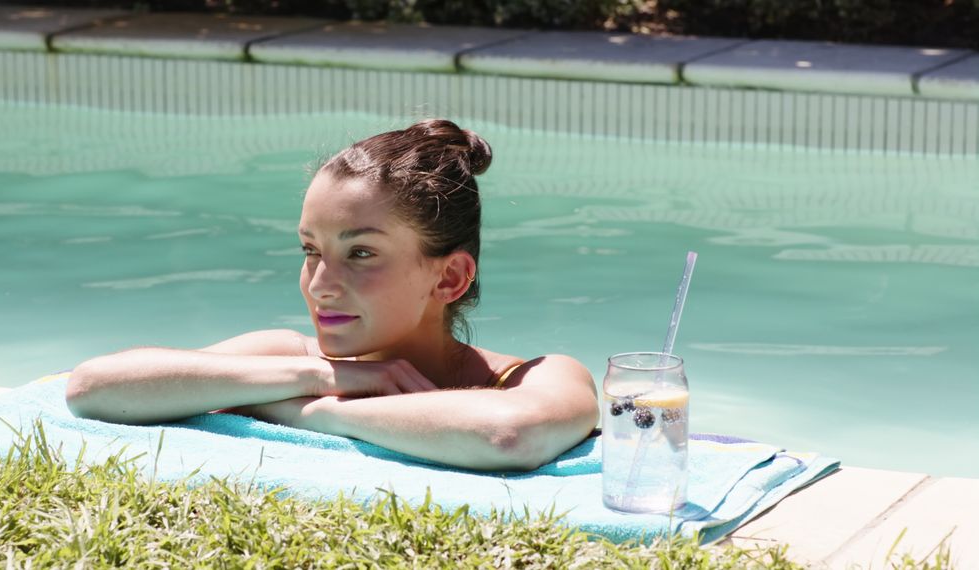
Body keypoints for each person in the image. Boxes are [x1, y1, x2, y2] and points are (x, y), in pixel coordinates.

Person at [65, 119, 600, 471]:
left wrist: (316, 413)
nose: (320, 285)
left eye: (361, 254)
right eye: (310, 251)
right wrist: (317, 377)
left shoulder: (533, 379)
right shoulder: (295, 361)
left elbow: (506, 436)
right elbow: (94, 388)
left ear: (449, 279)